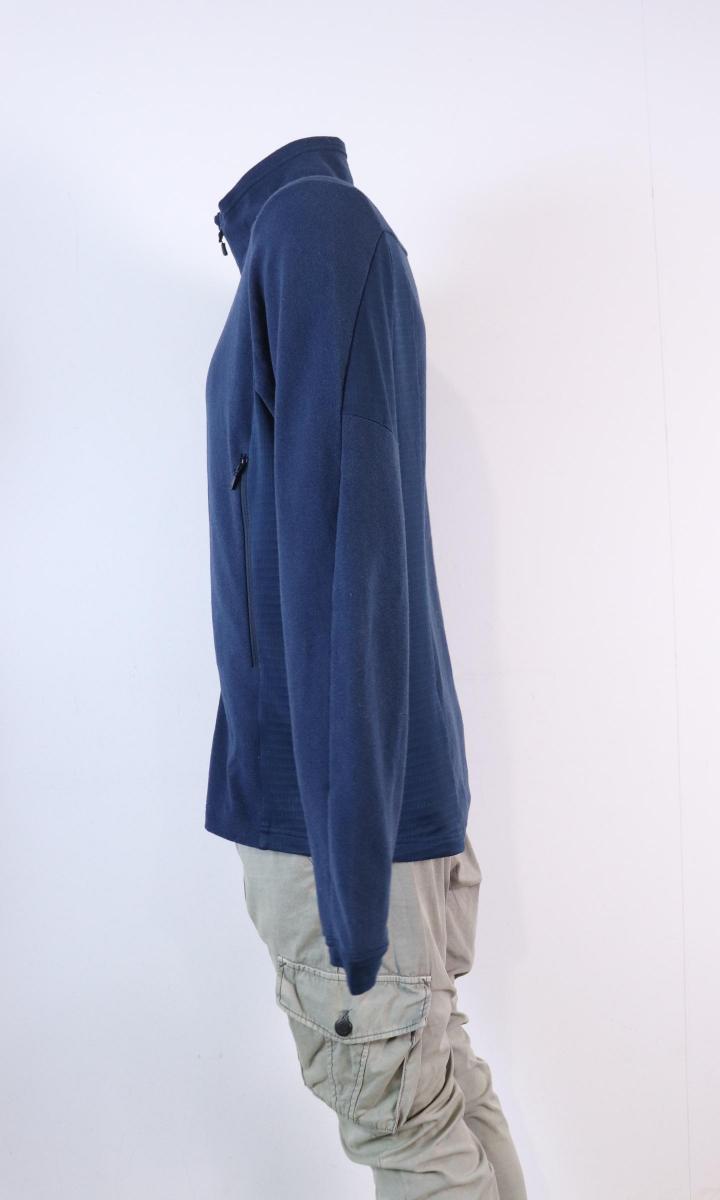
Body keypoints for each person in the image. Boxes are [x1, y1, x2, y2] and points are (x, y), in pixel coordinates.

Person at [203, 134, 527, 1198]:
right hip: (375, 810)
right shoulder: (329, 241)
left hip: (336, 824)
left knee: (410, 1131)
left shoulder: (309, 231)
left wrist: (351, 902)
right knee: (438, 1103)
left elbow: (343, 555)